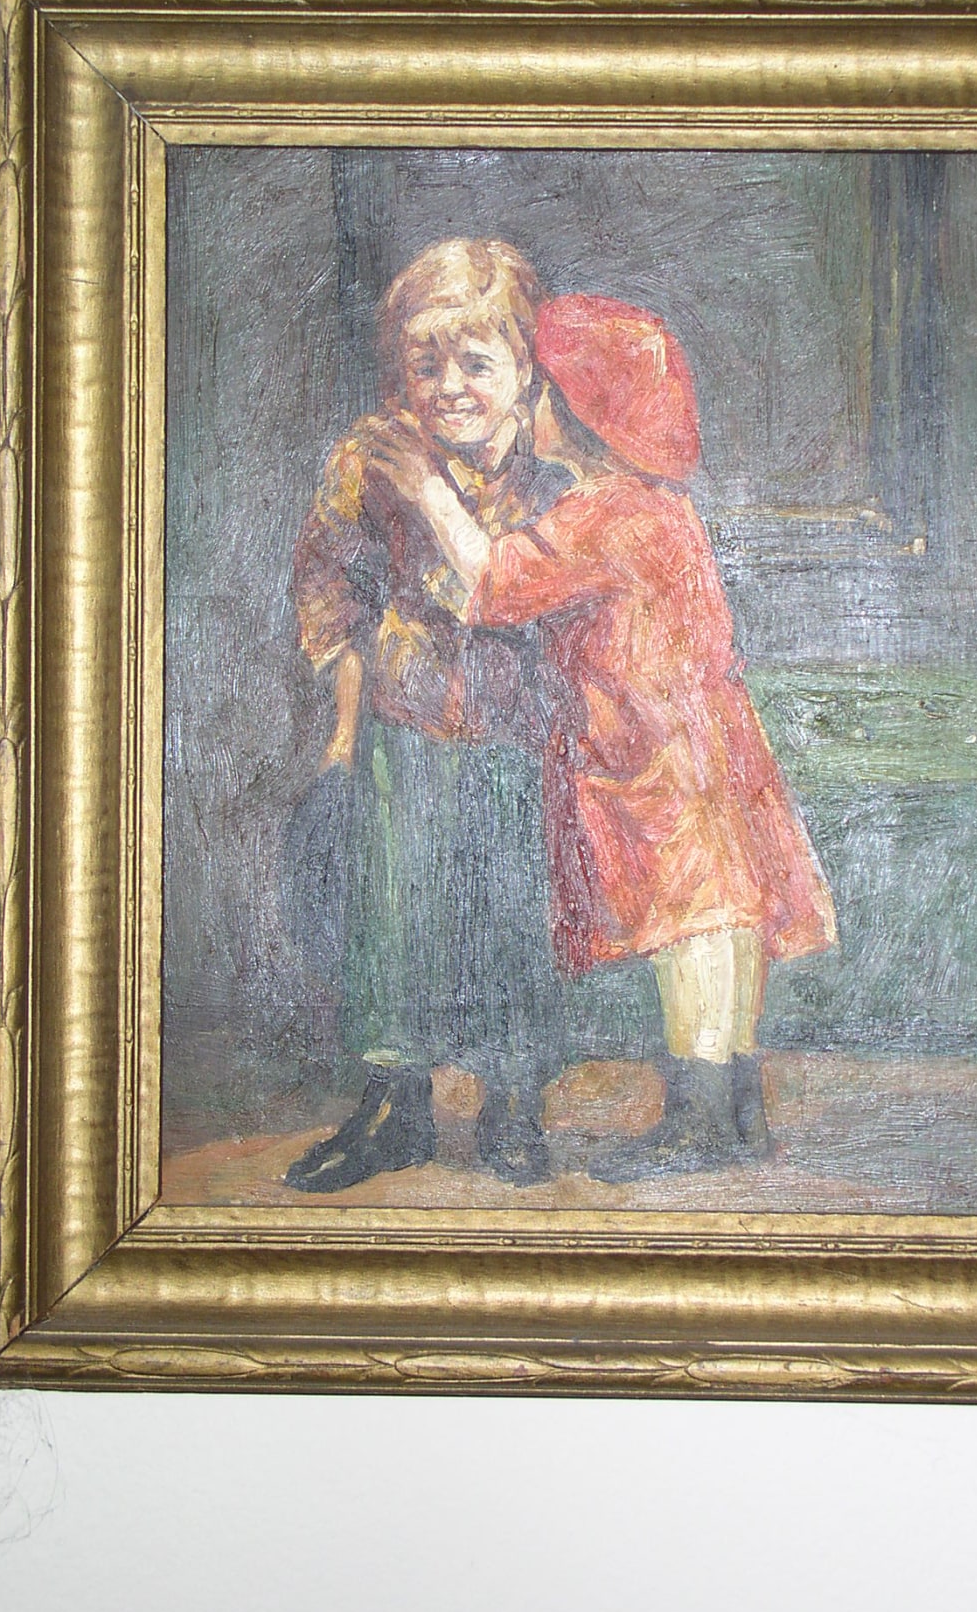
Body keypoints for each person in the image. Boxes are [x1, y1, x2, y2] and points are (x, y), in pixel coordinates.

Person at [372, 292, 837, 1177]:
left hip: (655, 757)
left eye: (539, 389)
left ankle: (702, 1122)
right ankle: (734, 1112)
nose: (525, 405)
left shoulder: (609, 510)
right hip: (701, 744)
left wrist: (427, 489)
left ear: (574, 409)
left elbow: (498, 582)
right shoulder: (657, 505)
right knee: (722, 924)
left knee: (693, 930)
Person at [283, 239, 568, 1191]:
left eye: (475, 364)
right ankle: (393, 1103)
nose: (449, 388)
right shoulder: (370, 456)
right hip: (404, 716)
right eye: (425, 365)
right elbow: (336, 592)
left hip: (521, 726)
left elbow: (535, 592)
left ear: (524, 368)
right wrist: (343, 731)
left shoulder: (554, 462)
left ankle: (513, 1099)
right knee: (393, 909)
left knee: (511, 910)